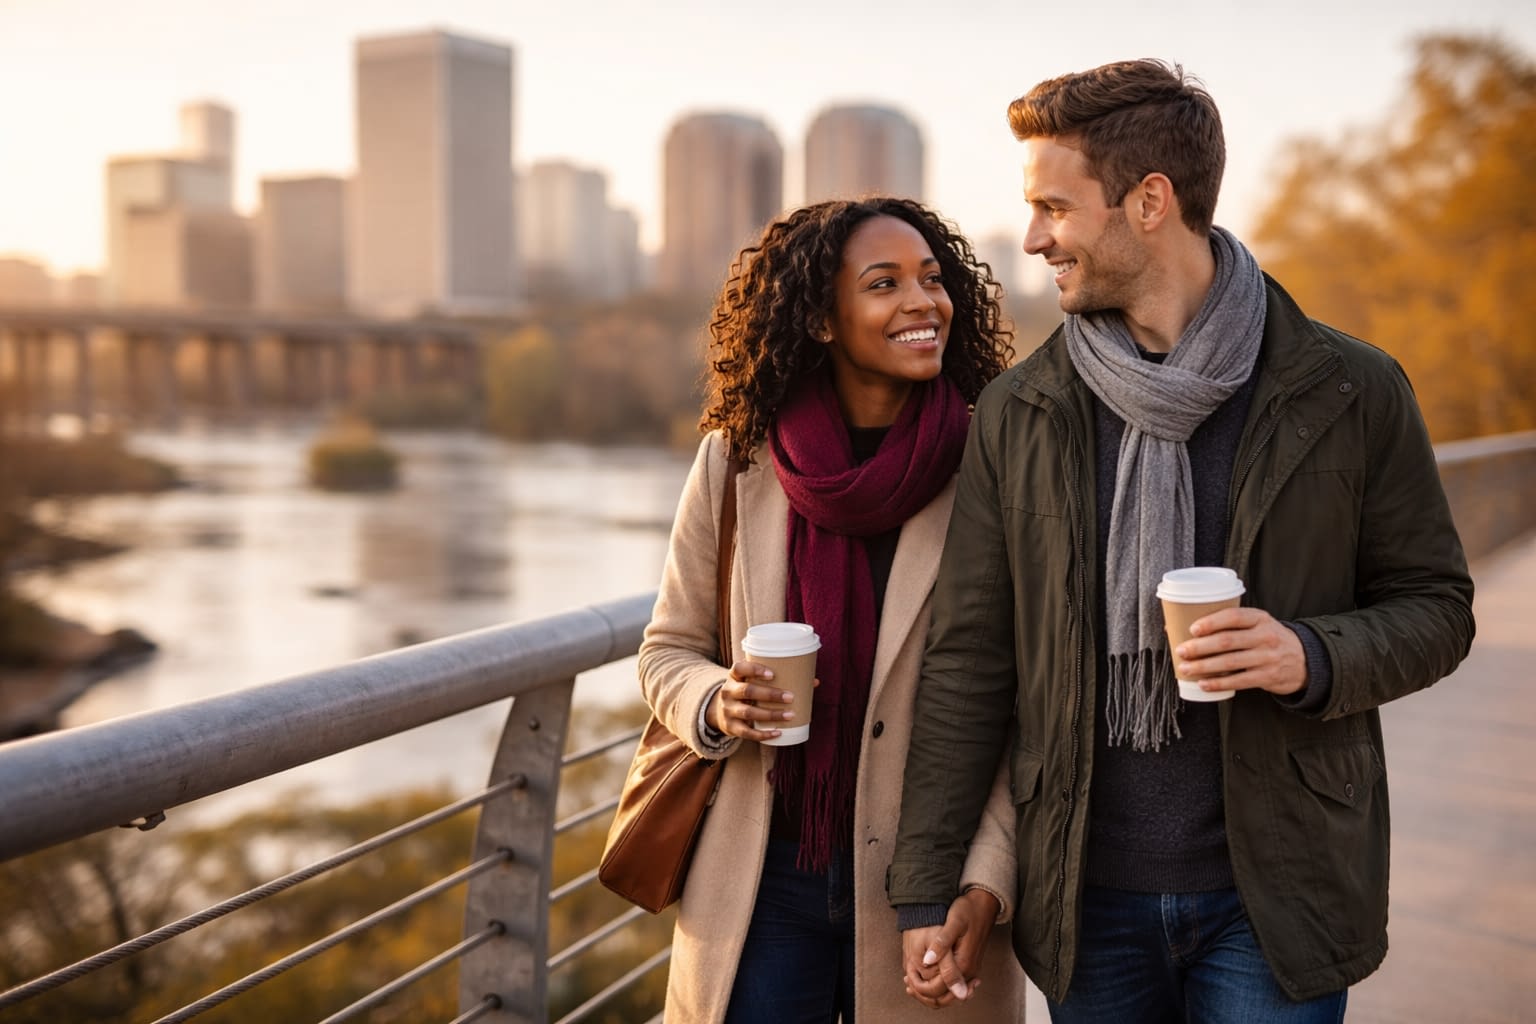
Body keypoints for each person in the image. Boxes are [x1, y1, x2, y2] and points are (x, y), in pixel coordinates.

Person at [887, 59, 1476, 1023]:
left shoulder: (1351, 390)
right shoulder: (1019, 413)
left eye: (1054, 208)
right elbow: (968, 661)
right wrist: (930, 883)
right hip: (1085, 899)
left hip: (1278, 892)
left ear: (1150, 200)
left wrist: (1309, 654)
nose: (1033, 239)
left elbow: (1438, 608)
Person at [637, 196, 1029, 1023]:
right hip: (762, 876)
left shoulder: (992, 465)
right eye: (884, 284)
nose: (923, 302)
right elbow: (667, 648)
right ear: (821, 317)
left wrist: (989, 877)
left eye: (932, 279)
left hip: (931, 882)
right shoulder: (737, 458)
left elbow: (1025, 702)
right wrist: (716, 699)